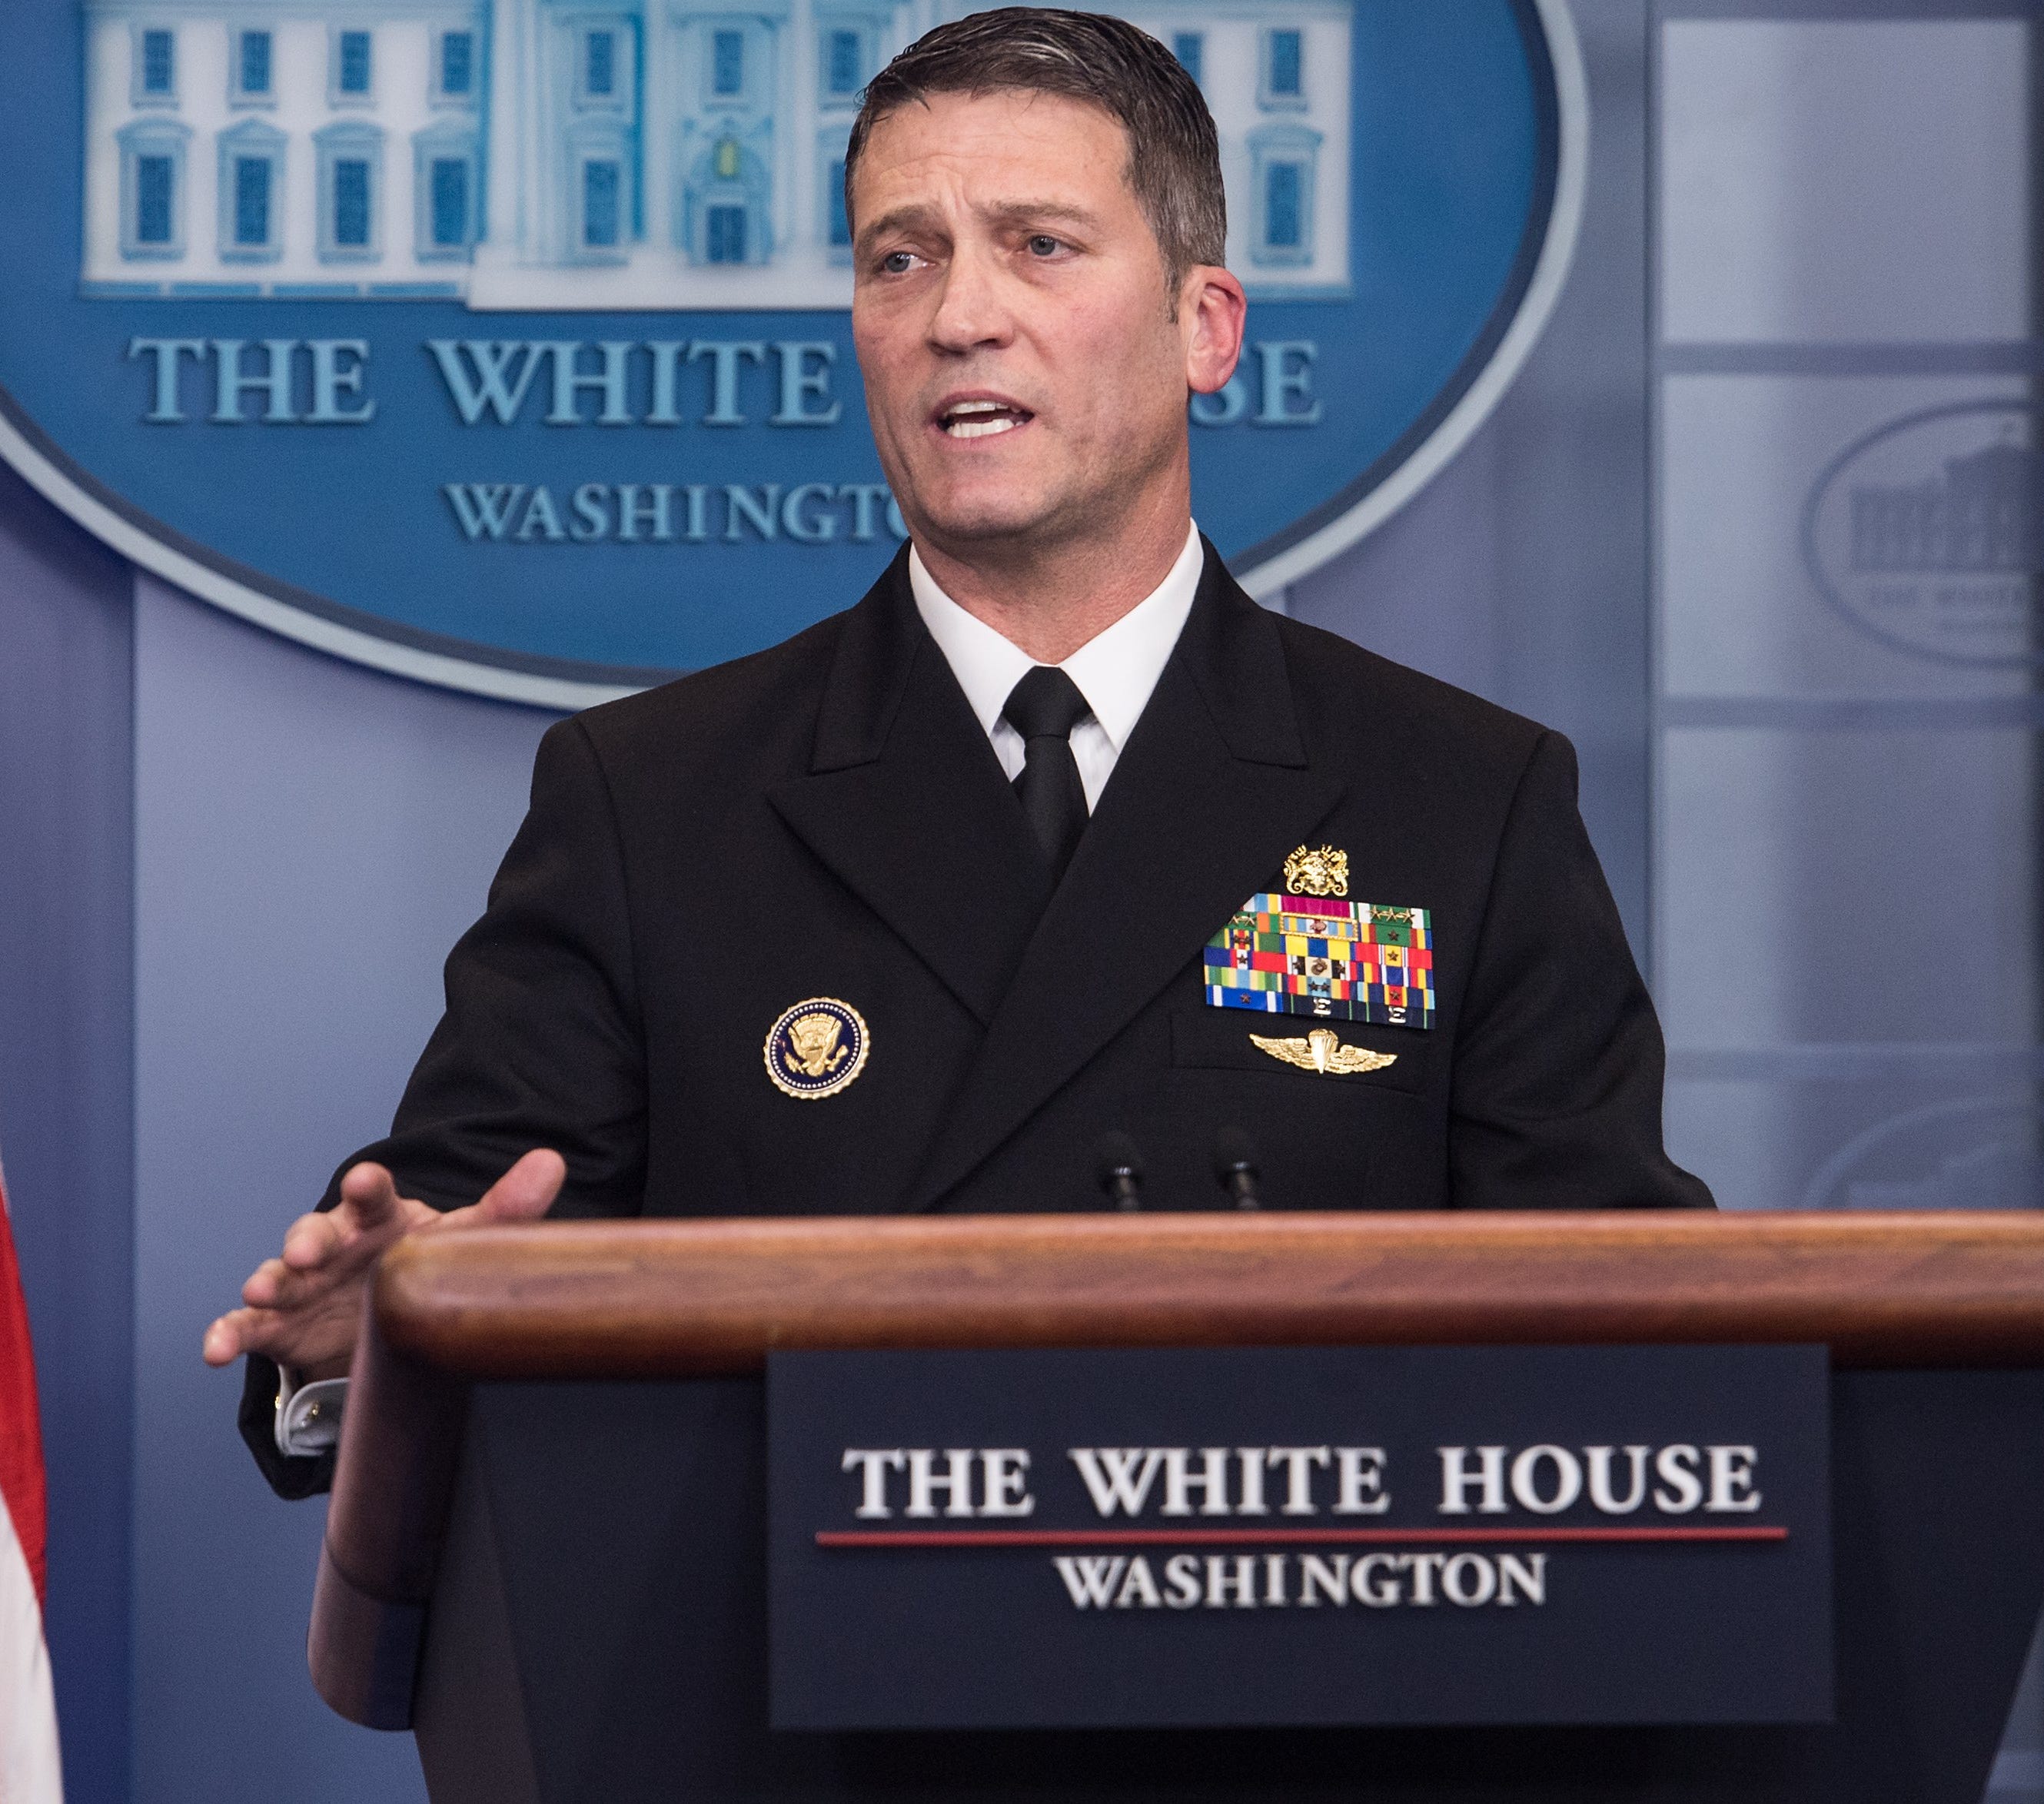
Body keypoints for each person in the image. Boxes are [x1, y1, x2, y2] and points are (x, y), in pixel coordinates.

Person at [203, 8, 1713, 1499]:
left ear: (1205, 324)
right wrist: (369, 1343)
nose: (955, 314)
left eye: (1038, 245)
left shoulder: (1456, 798)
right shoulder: (647, 803)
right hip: (787, 1705)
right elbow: (465, 1244)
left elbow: (1618, 1334)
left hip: (1290, 1694)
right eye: (897, 257)